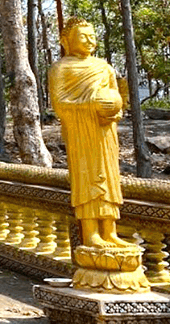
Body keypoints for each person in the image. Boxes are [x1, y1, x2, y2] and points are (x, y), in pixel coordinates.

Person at [49, 18, 132, 249]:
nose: (90, 40)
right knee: (87, 179)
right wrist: (90, 104)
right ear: (66, 41)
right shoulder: (60, 68)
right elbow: (60, 104)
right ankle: (91, 231)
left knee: (109, 178)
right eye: (83, 36)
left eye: (92, 35)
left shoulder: (104, 67)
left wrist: (113, 112)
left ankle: (110, 230)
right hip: (80, 131)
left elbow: (117, 100)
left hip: (104, 131)